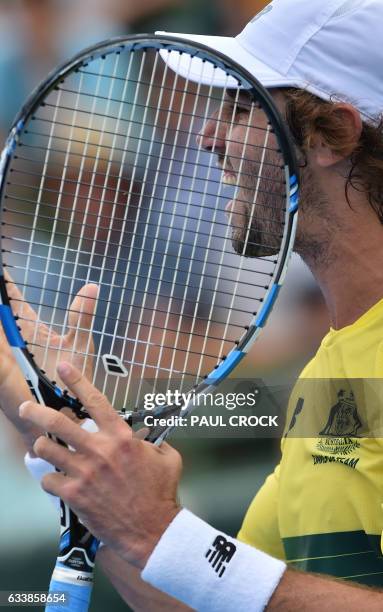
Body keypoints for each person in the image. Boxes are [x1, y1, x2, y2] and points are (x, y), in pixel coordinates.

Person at [2, 0, 383, 609]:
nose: (208, 135)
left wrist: (157, 531)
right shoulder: (339, 367)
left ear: (332, 134)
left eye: (239, 108)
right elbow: (211, 598)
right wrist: (28, 394)